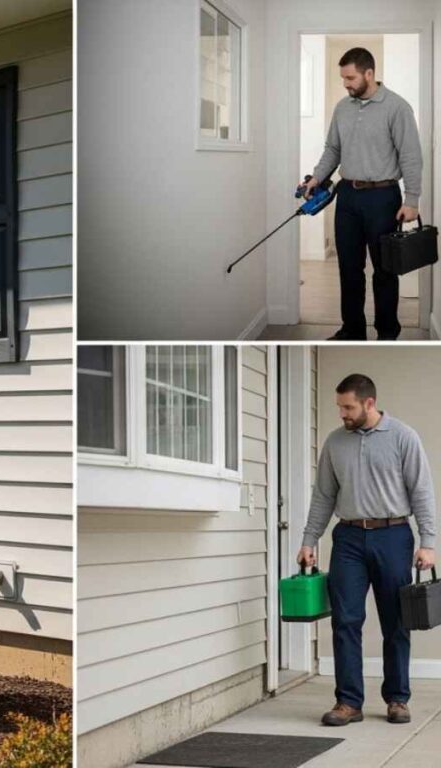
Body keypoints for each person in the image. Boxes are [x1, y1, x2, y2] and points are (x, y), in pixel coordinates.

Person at [297, 373, 436, 726]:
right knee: (345, 620)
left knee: (396, 621)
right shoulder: (334, 443)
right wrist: (309, 540)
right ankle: (348, 702)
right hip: (348, 539)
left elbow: (422, 492)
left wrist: (428, 543)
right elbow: (323, 496)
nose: (342, 413)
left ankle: (397, 699)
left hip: (393, 536)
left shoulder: (403, 437)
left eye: (348, 407)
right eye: (339, 406)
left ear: (368, 403)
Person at [300, 47, 423, 342]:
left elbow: (411, 156)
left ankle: (387, 333)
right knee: (349, 268)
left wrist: (412, 199)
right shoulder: (343, 107)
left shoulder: (397, 107)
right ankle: (352, 330)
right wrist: (317, 177)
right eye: (343, 78)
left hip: (383, 198)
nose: (346, 84)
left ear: (369, 73)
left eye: (351, 78)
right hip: (348, 197)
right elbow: (333, 149)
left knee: (384, 271)